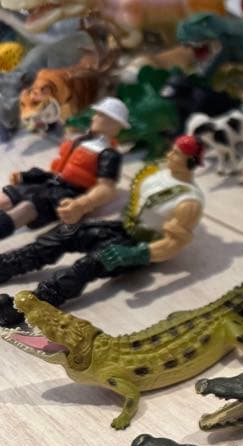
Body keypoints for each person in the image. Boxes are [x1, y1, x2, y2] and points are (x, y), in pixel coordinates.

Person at [0, 134, 206, 327]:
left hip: (139, 245)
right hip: (120, 227)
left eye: (177, 154)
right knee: (65, 234)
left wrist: (136, 254)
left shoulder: (188, 202)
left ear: (190, 161)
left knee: (88, 265)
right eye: (172, 150)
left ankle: (29, 306)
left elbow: (174, 244)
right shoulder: (158, 172)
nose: (169, 155)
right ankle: (6, 266)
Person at [0, 97, 129, 239]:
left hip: (66, 194)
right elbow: (59, 169)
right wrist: (28, 176)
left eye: (100, 115)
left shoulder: (109, 154)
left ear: (115, 125)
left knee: (26, 209)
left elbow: (107, 188)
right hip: (51, 181)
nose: (94, 118)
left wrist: (82, 205)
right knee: (6, 197)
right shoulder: (80, 141)